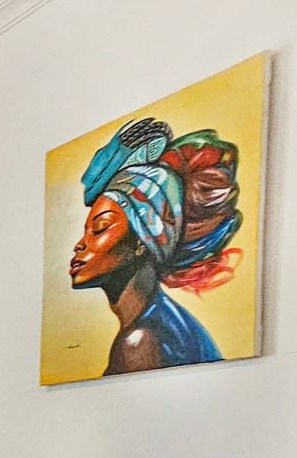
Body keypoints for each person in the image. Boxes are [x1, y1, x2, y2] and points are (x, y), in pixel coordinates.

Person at [69, 117, 244, 375]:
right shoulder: (164, 322)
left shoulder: (140, 343)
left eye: (100, 228)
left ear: (143, 240)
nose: (80, 245)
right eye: (85, 232)